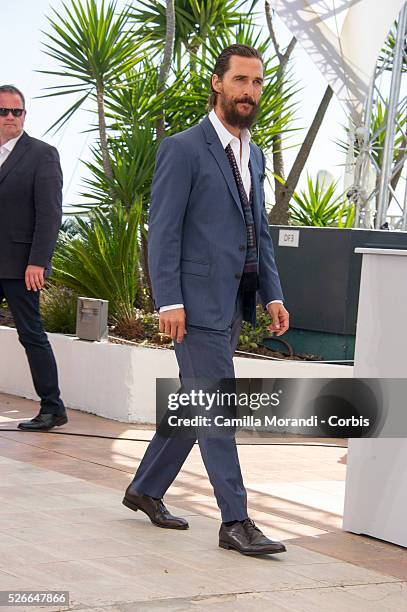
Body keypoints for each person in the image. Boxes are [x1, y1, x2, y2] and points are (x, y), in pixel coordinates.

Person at [123, 45, 290, 555]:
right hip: (192, 306)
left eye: (257, 82)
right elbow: (164, 230)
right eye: (241, 80)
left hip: (233, 301)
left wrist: (272, 296)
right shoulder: (184, 147)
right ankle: (235, 521)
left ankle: (146, 489)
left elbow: (258, 231)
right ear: (218, 83)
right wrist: (168, 300)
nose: (250, 91)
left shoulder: (253, 153)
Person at [0, 84, 67, 431]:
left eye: (17, 111)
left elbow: (50, 214)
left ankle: (53, 408)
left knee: (31, 334)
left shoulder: (42, 154)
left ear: (25, 115)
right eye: (4, 111)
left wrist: (38, 261)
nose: (11, 117)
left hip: (21, 265)